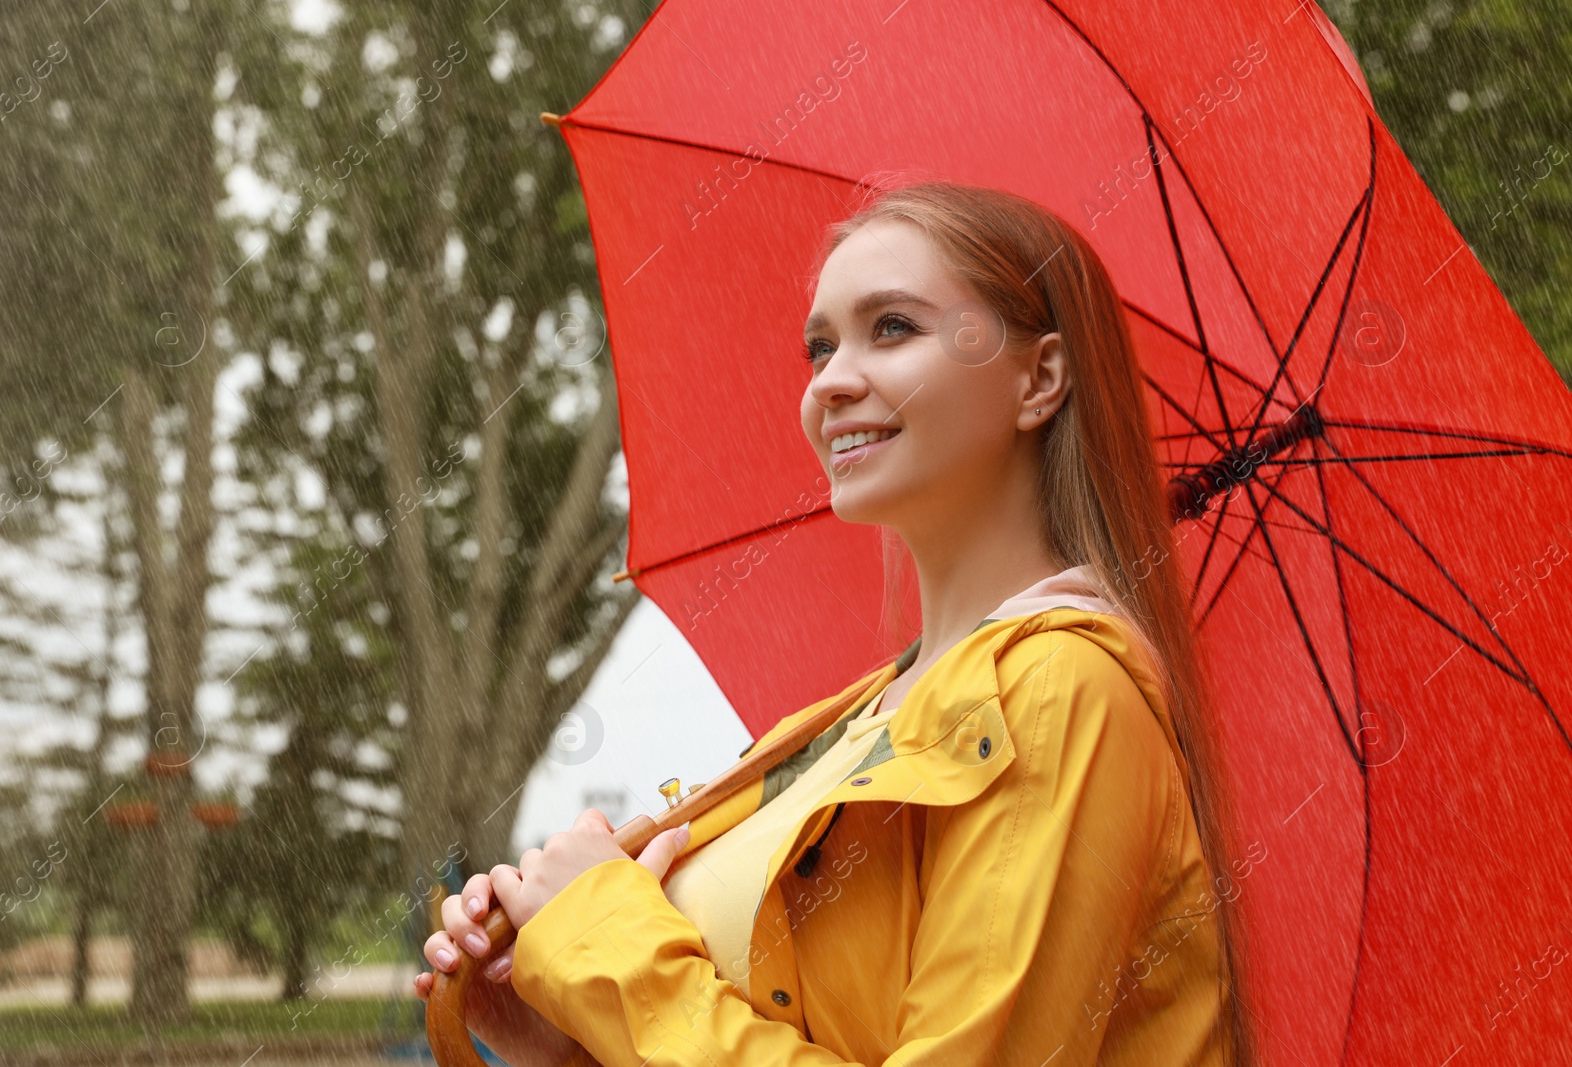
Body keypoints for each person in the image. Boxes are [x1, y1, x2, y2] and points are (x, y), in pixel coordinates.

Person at [414, 180, 1258, 1066]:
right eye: (819, 346)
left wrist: (604, 947)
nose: (832, 382)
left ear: (1039, 378)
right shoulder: (849, 723)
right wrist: (570, 1032)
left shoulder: (1057, 694)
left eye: (893, 327)